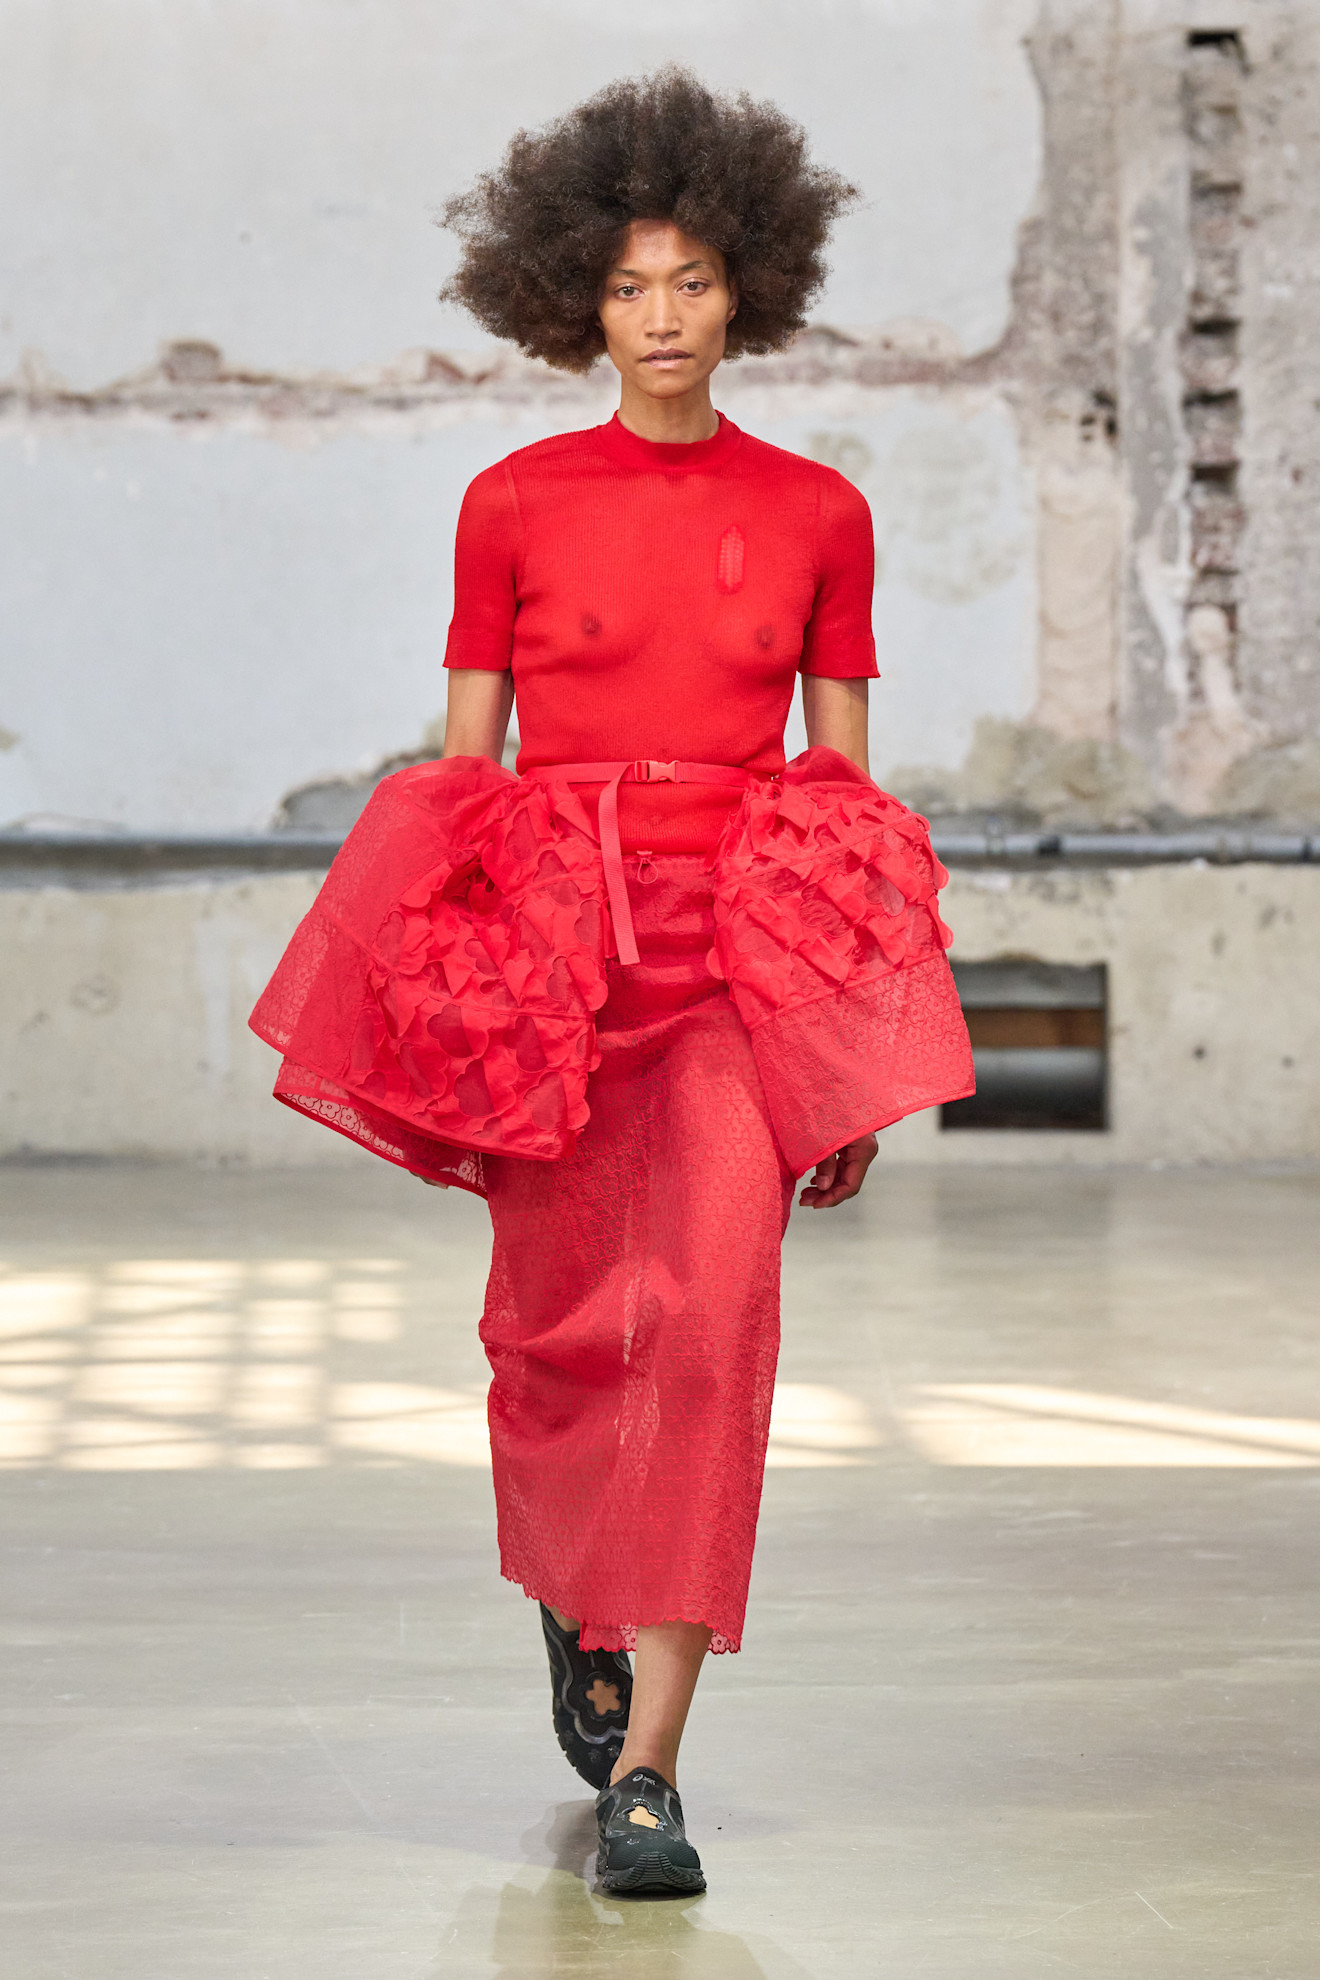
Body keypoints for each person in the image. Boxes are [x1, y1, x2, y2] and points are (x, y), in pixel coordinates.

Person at [250, 66, 972, 1897]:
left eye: (695, 281)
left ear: (749, 293)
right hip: (558, 970)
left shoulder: (821, 513)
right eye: (632, 285)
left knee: (714, 1331)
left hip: (738, 967)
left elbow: (843, 795)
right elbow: (465, 780)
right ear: (578, 297)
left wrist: (852, 1051)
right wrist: (455, 1006)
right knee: (560, 1334)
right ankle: (577, 1604)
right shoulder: (509, 504)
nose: (663, 317)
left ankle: (649, 1771)